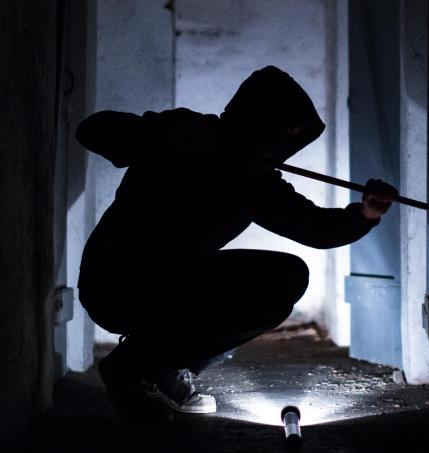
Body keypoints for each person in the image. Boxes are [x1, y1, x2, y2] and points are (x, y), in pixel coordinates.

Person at [75, 66, 397, 422]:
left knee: (285, 277)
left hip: (174, 284)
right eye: (285, 130)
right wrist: (164, 137)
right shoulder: (185, 132)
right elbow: (92, 131)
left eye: (294, 135)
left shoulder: (253, 180)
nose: (287, 142)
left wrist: (365, 213)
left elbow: (316, 228)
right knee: (246, 281)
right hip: (113, 279)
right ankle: (129, 368)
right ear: (260, 121)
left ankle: (162, 364)